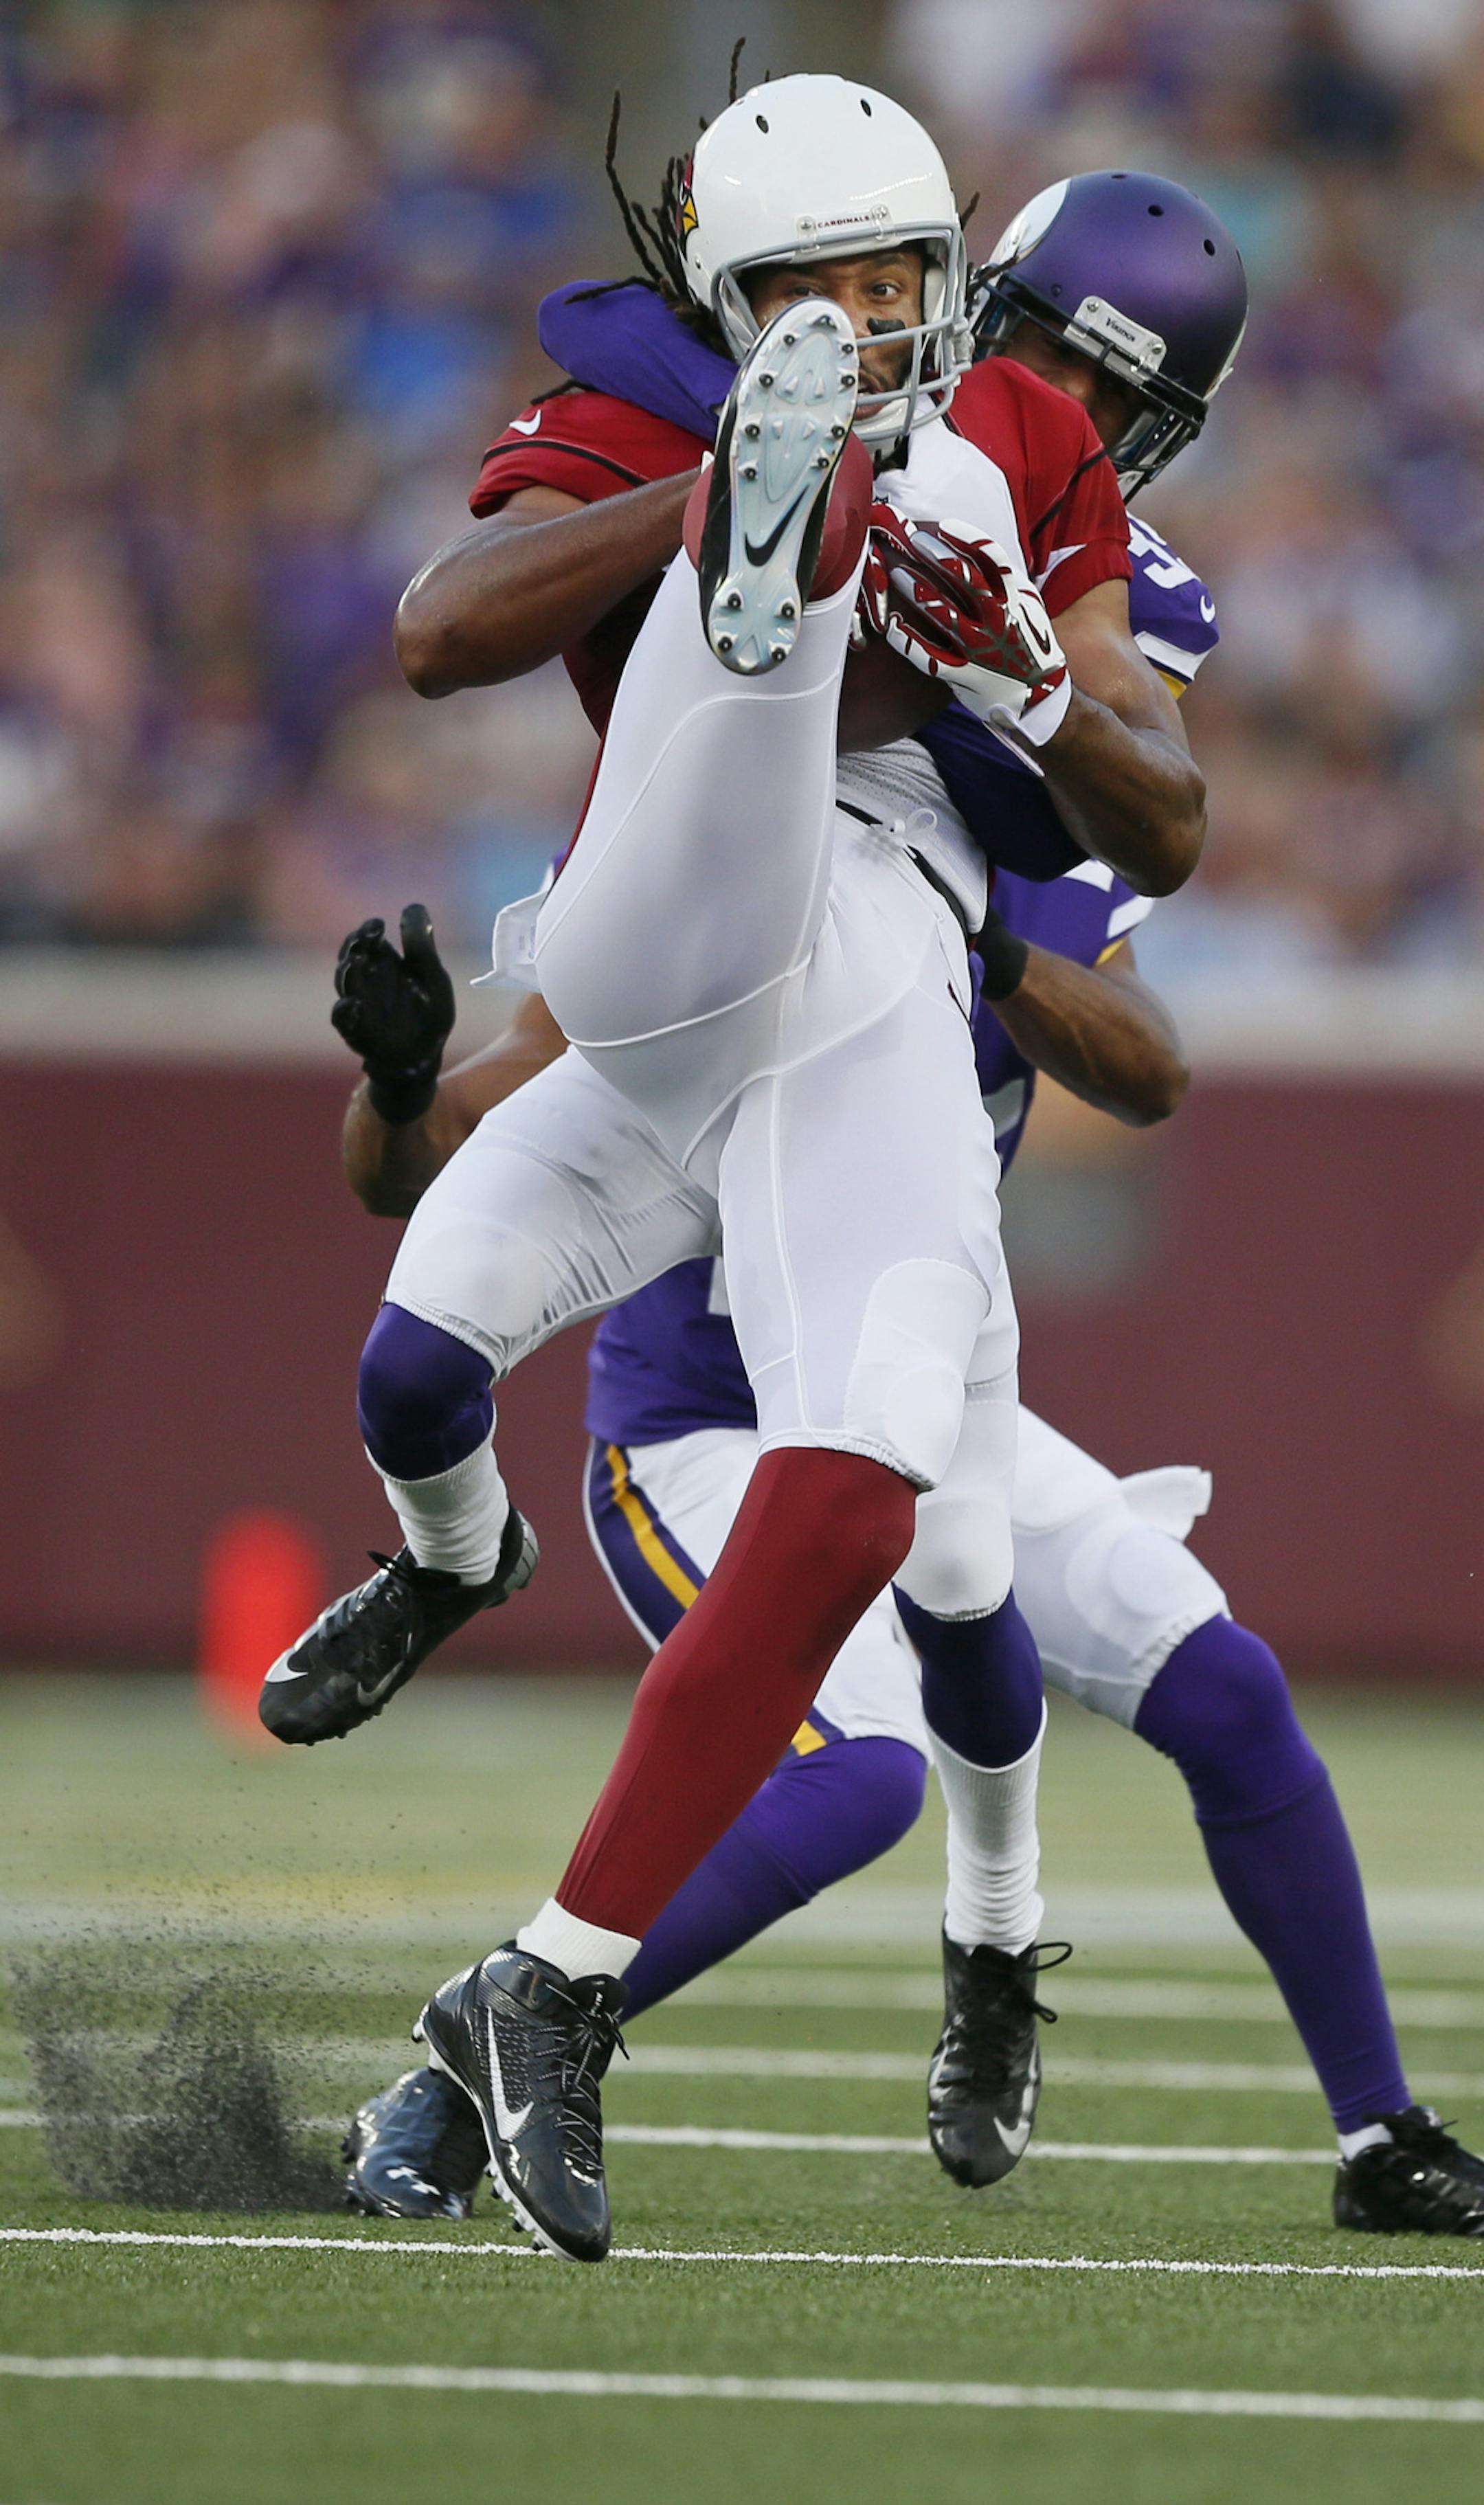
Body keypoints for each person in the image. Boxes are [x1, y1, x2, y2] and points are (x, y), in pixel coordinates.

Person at [335, 165, 1484, 2242]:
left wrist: (996, 822)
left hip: (902, 1288)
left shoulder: (1051, 636)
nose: (1063, 418)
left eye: (1109, 403)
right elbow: (470, 1100)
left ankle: (1340, 2117)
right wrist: (417, 1076)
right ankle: (472, 2047)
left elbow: (1145, 1025)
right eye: (1041, 361)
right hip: (705, 1382)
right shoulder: (753, 662)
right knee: (857, 1744)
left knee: (1175, 1661)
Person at [262, 75, 1206, 2263]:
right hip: (667, 928)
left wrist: (1023, 680)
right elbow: (439, 629)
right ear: (728, 307)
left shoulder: (1015, 441)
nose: (864, 323)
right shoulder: (649, 413)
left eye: (894, 283)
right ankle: (456, 1563)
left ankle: (571, 1980)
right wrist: (707, 500)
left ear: (951, 279)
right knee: (419, 1356)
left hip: (858, 953)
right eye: (813, 295)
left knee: (904, 1516)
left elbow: (1162, 825)